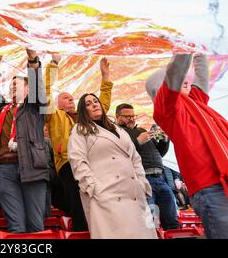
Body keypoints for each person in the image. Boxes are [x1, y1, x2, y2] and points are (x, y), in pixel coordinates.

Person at [146, 53, 228, 239]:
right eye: (178, 79)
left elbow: (202, 79)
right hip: (210, 187)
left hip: (224, 181)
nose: (185, 80)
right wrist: (186, 47)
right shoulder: (166, 109)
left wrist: (200, 56)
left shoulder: (195, 103)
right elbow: (175, 74)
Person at [68, 93, 157, 239]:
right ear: (83, 110)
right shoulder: (80, 130)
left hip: (133, 193)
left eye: (95, 101)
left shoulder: (119, 130)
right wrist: (93, 187)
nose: (94, 105)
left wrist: (141, 182)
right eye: (88, 104)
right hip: (105, 194)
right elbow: (77, 161)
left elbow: (135, 158)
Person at [0, 50, 49, 233]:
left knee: (36, 225)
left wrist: (33, 60)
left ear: (28, 89)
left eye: (17, 85)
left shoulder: (35, 106)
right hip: (4, 169)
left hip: (31, 166)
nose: (12, 88)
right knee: (15, 226)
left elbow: (38, 87)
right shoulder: (2, 108)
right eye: (11, 86)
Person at [45, 55, 113, 231]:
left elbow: (102, 106)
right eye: (66, 98)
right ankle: (81, 232)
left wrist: (105, 77)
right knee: (78, 205)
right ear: (57, 103)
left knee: (98, 204)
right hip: (68, 164)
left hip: (94, 161)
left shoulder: (85, 116)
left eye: (72, 98)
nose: (71, 100)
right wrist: (53, 64)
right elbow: (44, 93)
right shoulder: (54, 116)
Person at [115, 103, 179, 230]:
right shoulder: (117, 133)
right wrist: (138, 141)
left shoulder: (142, 130)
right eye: (127, 117)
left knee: (172, 221)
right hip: (141, 179)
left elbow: (159, 153)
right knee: (149, 224)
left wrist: (165, 140)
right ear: (117, 117)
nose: (132, 119)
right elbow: (121, 153)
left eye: (133, 116)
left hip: (160, 178)